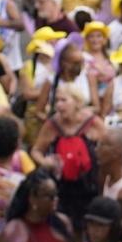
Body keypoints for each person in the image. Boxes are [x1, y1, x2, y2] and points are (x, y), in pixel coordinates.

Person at [32, 89, 103, 233]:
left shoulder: (93, 122)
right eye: (57, 100)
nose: (58, 105)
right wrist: (45, 162)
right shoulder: (52, 124)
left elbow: (109, 147)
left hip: (89, 187)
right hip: (62, 188)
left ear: (77, 103)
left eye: (63, 100)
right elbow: (36, 151)